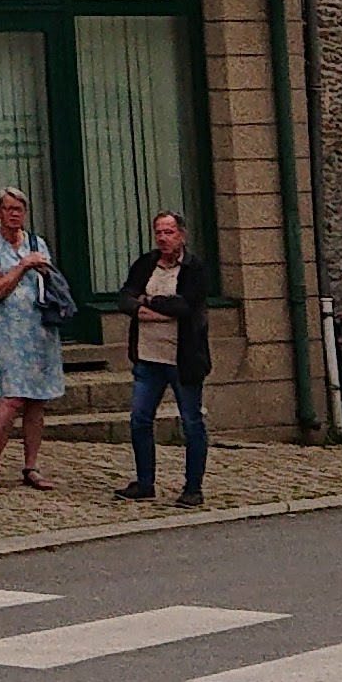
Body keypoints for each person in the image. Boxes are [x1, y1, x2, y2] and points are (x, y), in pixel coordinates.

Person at [114, 209, 211, 503]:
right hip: (148, 356)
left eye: (169, 232)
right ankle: (145, 482)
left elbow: (184, 306)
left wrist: (148, 301)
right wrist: (143, 308)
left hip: (183, 359)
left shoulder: (194, 268)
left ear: (181, 235)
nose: (163, 238)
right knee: (140, 419)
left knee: (191, 423)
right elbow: (125, 297)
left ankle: (193, 488)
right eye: (159, 232)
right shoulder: (146, 264)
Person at [0, 189, 71, 484]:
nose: (15, 214)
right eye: (9, 209)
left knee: (37, 400)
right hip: (8, 332)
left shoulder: (36, 242)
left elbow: (49, 281)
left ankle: (31, 466)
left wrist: (40, 267)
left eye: (19, 209)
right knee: (13, 397)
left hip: (40, 331)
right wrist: (23, 265)